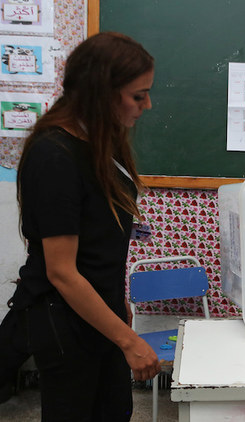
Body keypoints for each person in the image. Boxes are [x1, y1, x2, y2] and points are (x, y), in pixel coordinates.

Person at [0, 32, 161, 420]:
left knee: (113, 411)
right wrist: (129, 341)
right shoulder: (55, 156)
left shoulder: (96, 144)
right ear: (101, 92)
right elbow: (62, 272)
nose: (148, 105)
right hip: (64, 321)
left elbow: (95, 243)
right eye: (138, 95)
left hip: (96, 312)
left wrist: (113, 301)